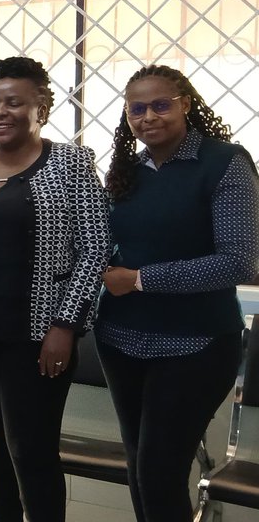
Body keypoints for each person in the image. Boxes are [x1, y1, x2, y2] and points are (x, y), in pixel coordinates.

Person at [0, 56, 111, 522]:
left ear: (42, 108)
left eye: (14, 102)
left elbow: (94, 250)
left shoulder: (71, 163)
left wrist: (65, 326)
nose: (1, 112)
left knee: (31, 447)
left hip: (38, 336)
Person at [98, 64, 259, 522]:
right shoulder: (127, 169)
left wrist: (141, 279)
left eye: (161, 105)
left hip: (196, 343)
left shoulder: (224, 162)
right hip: (121, 339)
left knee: (159, 472)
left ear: (185, 103)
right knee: (140, 468)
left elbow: (238, 262)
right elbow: (113, 242)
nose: (149, 116)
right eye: (137, 108)